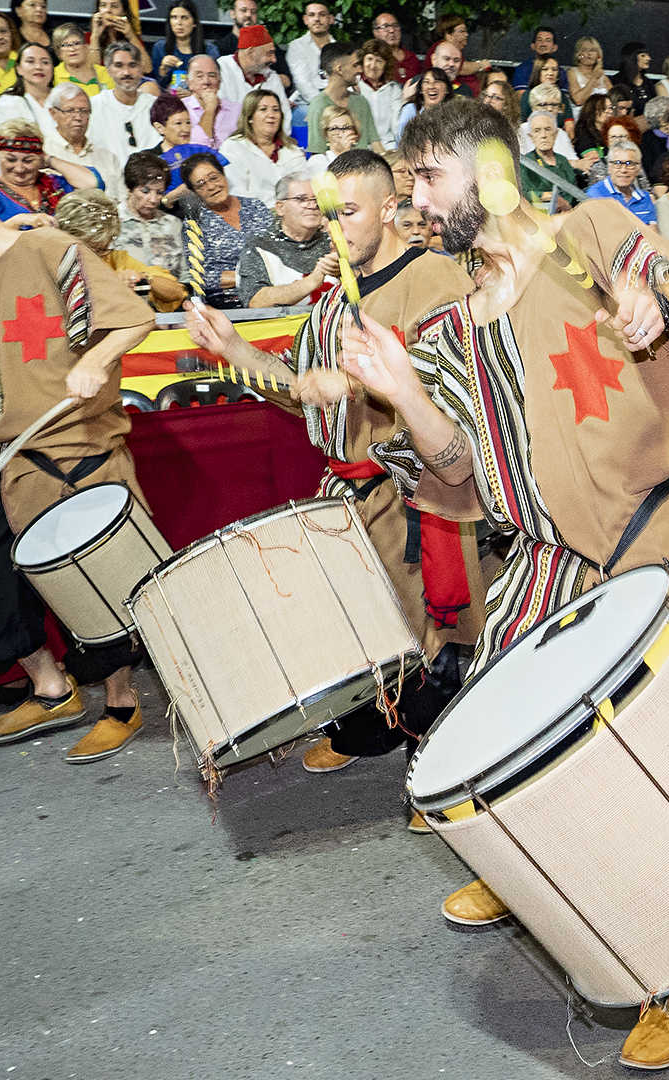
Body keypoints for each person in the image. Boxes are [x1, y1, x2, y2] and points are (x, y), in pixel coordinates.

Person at [337, 97, 669, 1069]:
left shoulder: (588, 231)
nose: (414, 206)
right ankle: (549, 876)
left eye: (427, 182)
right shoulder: (452, 326)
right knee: (506, 745)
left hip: (648, 534)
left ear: (484, 170)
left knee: (662, 771)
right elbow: (461, 473)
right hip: (544, 561)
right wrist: (402, 394)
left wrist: (660, 306)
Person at [187, 147, 485, 790]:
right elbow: (301, 393)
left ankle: (453, 783)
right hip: (352, 506)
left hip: (421, 500)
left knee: (441, 648)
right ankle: (401, 748)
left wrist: (363, 387)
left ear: (389, 207)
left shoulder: (436, 279)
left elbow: (467, 393)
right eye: (328, 213)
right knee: (386, 647)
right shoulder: (327, 305)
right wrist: (235, 349)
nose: (337, 225)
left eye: (350, 210)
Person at [0, 156, 157, 763]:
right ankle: (51, 686)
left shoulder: (49, 247)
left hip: (82, 451)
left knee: (96, 592)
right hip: (18, 458)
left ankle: (121, 704)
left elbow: (132, 320)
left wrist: (96, 359)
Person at [53, 188, 186, 311]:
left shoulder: (114, 259)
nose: (96, 255)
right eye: (90, 247)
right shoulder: (50, 261)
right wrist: (108, 282)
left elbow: (177, 292)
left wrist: (143, 278)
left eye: (101, 249)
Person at [174, 153, 275, 307]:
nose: (211, 186)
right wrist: (246, 278)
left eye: (214, 177)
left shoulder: (256, 207)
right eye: (201, 184)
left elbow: (279, 247)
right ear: (193, 191)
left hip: (272, 292)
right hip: (227, 303)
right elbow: (200, 276)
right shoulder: (194, 224)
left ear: (223, 174)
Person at [235, 172, 335, 307]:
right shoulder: (259, 248)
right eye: (301, 199)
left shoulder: (335, 241)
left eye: (316, 199)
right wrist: (312, 280)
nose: (312, 205)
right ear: (280, 208)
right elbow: (255, 301)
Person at [0, 120, 97, 224]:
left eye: (28, 161)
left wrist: (50, 160)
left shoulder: (53, 184)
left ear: (40, 159)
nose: (19, 168)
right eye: (11, 160)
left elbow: (90, 183)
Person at [219, 90, 306, 204]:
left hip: (290, 214)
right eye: (263, 109)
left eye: (276, 110)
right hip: (251, 214)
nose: (271, 115)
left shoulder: (293, 150)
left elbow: (302, 189)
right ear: (250, 117)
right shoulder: (232, 147)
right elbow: (236, 191)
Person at [115, 150, 184, 277]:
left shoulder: (173, 224)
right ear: (129, 189)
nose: (153, 200)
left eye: (159, 193)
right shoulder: (112, 223)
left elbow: (186, 274)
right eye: (145, 191)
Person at [90, 43, 158, 165]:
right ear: (108, 70)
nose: (126, 72)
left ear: (141, 69)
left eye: (132, 65)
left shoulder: (155, 106)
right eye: (119, 66)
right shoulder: (94, 106)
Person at [152, 93, 224, 190]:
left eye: (188, 122)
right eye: (178, 123)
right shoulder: (151, 160)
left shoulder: (200, 151)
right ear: (160, 128)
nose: (186, 129)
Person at [584, 138, 656, 224]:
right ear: (609, 167)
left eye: (630, 164)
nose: (623, 170)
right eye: (617, 163)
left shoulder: (644, 197)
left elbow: (651, 233)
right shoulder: (595, 195)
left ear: (638, 169)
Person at [218, 25, 288, 114]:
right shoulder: (221, 70)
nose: (274, 60)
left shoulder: (272, 76)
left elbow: (285, 114)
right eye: (269, 53)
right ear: (250, 52)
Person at [0, 41, 58, 134]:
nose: (38, 67)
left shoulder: (65, 98)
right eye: (30, 61)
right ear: (19, 68)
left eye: (45, 62)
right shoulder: (7, 103)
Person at [518, 110, 577, 212]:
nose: (543, 135)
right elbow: (523, 193)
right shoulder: (526, 163)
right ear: (531, 137)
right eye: (537, 130)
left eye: (548, 129)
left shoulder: (563, 161)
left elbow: (574, 193)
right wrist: (547, 195)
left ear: (555, 134)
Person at [151, 0, 217, 90]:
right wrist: (163, 71)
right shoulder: (160, 47)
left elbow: (213, 83)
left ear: (194, 23)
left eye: (184, 18)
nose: (179, 23)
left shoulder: (209, 50)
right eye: (174, 17)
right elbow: (156, 86)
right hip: (169, 99)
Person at [285, 1, 336, 110]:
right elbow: (302, 83)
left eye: (322, 15)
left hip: (336, 99)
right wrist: (325, 106)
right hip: (306, 103)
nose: (317, 19)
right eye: (312, 15)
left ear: (331, 19)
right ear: (305, 20)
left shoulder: (339, 47)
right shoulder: (296, 47)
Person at [181, 54, 235, 150]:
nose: (206, 81)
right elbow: (198, 148)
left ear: (219, 81)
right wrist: (210, 109)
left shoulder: (237, 110)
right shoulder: (178, 109)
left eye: (212, 75)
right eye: (199, 76)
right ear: (188, 82)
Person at [356, 40, 403, 149]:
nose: (373, 66)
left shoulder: (393, 89)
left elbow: (396, 124)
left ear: (386, 65)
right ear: (362, 61)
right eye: (369, 59)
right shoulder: (354, 86)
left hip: (387, 145)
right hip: (361, 145)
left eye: (379, 61)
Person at [398, 67, 456, 147]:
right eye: (426, 82)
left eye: (437, 81)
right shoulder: (410, 110)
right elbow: (401, 141)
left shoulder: (454, 113)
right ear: (421, 90)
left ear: (447, 90)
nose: (431, 86)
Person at [51, 25, 113, 98]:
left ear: (86, 47)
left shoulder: (106, 73)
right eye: (65, 45)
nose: (72, 49)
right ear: (58, 52)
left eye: (76, 43)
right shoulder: (52, 76)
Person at [373, 11, 423, 84]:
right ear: (376, 32)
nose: (392, 30)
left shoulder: (411, 57)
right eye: (385, 26)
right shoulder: (374, 59)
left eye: (395, 25)